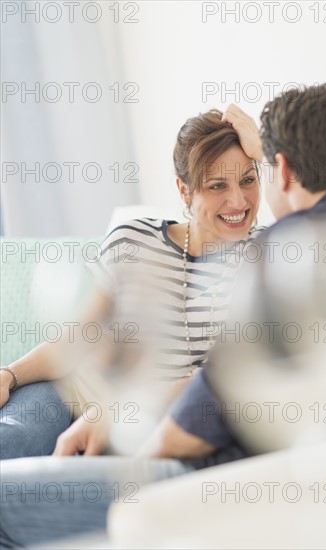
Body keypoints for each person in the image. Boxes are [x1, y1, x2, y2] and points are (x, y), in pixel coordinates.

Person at [0, 109, 263, 548]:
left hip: (146, 423)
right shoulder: (132, 237)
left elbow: (224, 380)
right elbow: (82, 335)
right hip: (74, 395)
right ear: (184, 189)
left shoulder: (269, 260)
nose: (238, 202)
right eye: (217, 185)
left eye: (249, 179)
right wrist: (9, 374)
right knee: (10, 443)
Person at [138, 83, 326, 465]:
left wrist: (129, 467)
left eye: (255, 174)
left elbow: (186, 433)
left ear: (280, 170)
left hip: (251, 485)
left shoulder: (287, 254)